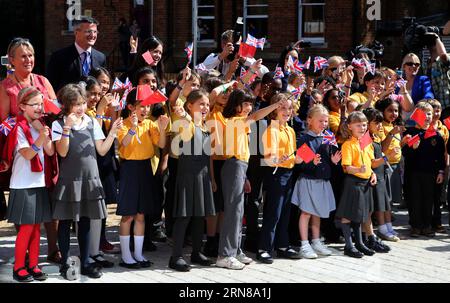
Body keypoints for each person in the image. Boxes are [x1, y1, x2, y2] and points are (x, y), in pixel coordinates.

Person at [52, 84, 122, 279]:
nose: (81, 108)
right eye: (76, 104)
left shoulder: (91, 122)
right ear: (66, 106)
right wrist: (67, 127)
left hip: (90, 179)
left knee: (85, 222)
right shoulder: (58, 124)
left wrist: (113, 132)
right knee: (65, 222)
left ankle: (85, 262)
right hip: (70, 180)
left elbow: (101, 150)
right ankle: (65, 263)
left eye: (82, 103)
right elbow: (62, 151)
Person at [0, 37, 61, 264]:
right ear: (12, 60)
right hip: (22, 150)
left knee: (50, 196)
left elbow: (56, 111)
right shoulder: (6, 87)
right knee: (26, 200)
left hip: (45, 146)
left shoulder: (42, 81)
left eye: (31, 55)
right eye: (23, 56)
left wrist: (47, 106)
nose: (28, 59)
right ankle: (24, 250)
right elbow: (2, 122)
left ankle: (53, 248)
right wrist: (25, 123)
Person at [216, 89, 286, 270]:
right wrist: (275, 105)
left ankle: (236, 250)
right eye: (245, 103)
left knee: (238, 212)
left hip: (240, 166)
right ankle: (225, 254)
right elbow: (255, 116)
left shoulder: (240, 123)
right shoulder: (234, 121)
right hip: (234, 165)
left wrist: (245, 176)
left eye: (250, 104)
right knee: (233, 212)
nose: (248, 107)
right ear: (236, 105)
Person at [2, 87, 56, 282]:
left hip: (38, 183)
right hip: (22, 184)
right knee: (26, 228)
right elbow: (27, 154)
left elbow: (49, 152)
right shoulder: (19, 128)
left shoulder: (39, 125)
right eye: (35, 105)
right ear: (23, 106)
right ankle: (18, 267)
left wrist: (43, 132)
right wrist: (41, 137)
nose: (40, 108)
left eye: (41, 104)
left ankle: (33, 264)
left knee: (36, 228)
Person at [116, 88, 168, 268]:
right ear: (131, 107)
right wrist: (133, 128)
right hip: (129, 169)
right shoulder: (123, 124)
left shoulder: (151, 124)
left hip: (146, 168)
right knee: (128, 215)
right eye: (141, 106)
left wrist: (161, 128)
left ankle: (138, 254)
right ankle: (125, 256)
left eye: (148, 106)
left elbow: (160, 145)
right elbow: (123, 144)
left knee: (140, 215)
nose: (145, 110)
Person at [169, 89, 215, 271]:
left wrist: (211, 178)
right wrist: (184, 116)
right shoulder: (183, 123)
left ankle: (197, 252)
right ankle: (176, 257)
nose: (205, 107)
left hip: (202, 176)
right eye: (201, 104)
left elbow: (208, 155)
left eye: (206, 104)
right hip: (187, 176)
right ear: (190, 106)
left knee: (199, 216)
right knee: (184, 216)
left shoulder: (205, 126)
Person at [291, 105, 340, 259]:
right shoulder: (304, 138)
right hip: (308, 180)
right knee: (306, 212)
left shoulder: (328, 136)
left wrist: (333, 161)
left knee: (317, 212)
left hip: (322, 180)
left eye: (326, 121)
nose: (324, 124)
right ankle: (304, 244)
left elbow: (329, 157)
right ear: (309, 120)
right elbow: (300, 163)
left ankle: (316, 241)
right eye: (320, 121)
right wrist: (311, 161)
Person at [257, 94, 301, 263]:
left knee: (285, 212)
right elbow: (268, 158)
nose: (287, 111)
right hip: (276, 174)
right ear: (274, 109)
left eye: (290, 108)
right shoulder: (271, 129)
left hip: (288, 174)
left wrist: (299, 159)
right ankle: (264, 248)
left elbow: (292, 155)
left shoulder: (290, 130)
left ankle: (282, 245)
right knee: (273, 213)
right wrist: (279, 159)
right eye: (283, 107)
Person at [336, 111, 377, 258]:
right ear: (350, 127)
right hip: (353, 183)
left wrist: (372, 173)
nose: (362, 127)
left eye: (364, 124)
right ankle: (349, 245)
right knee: (348, 214)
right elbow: (346, 167)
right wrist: (358, 169)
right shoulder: (348, 144)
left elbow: (370, 163)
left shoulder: (366, 143)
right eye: (358, 125)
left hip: (365, 183)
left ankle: (360, 243)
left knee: (359, 215)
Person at [402, 101, 445, 238]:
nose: (427, 117)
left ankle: (426, 225)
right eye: (423, 114)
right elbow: (404, 154)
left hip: (430, 173)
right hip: (413, 173)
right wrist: (412, 149)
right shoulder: (409, 132)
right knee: (414, 198)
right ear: (416, 115)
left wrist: (441, 171)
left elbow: (440, 156)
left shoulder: (436, 136)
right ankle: (415, 226)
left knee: (428, 199)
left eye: (429, 114)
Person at [361, 108, 395, 252]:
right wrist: (387, 157)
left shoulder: (374, 137)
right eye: (376, 123)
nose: (380, 126)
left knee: (370, 209)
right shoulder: (364, 139)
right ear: (367, 123)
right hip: (368, 177)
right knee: (367, 211)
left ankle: (369, 236)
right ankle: (369, 237)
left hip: (376, 176)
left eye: (381, 123)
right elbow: (371, 162)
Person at [46, 17, 106, 92]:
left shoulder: (100, 58)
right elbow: (50, 85)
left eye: (95, 32)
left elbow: (103, 83)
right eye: (88, 31)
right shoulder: (59, 56)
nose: (92, 35)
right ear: (76, 32)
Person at [375, 98, 405, 215]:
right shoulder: (381, 126)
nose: (394, 114)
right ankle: (382, 218)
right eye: (390, 110)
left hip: (395, 164)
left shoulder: (394, 125)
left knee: (391, 194)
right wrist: (391, 133)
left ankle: (388, 215)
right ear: (383, 111)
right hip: (385, 165)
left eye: (396, 111)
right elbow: (382, 148)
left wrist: (404, 142)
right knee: (385, 195)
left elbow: (397, 146)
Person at [427, 99, 448, 233]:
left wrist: (446, 165)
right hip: (427, 166)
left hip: (440, 165)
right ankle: (426, 222)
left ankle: (437, 222)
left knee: (438, 196)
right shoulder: (425, 127)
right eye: (433, 110)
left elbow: (446, 149)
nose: (436, 113)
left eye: (438, 110)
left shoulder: (444, 128)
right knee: (427, 195)